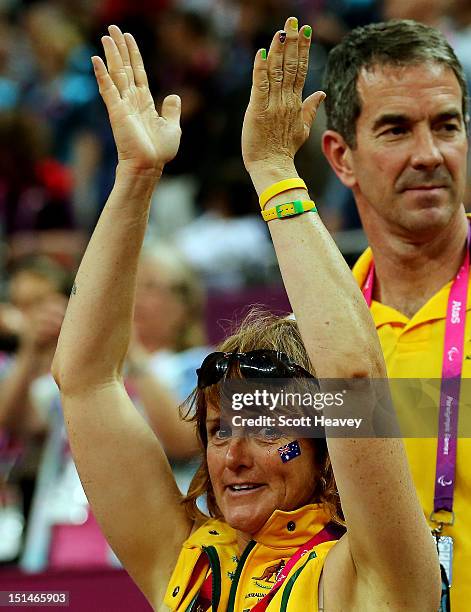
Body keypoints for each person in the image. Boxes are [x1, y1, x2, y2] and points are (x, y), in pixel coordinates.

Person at [52, 20, 440, 610]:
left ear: (325, 447)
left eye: (265, 427)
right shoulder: (186, 558)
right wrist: (135, 176)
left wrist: (274, 169)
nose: (233, 455)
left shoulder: (367, 576)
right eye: (219, 429)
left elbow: (354, 381)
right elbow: (84, 379)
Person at [321, 19, 470, 610]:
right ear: (342, 157)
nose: (429, 154)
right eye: (396, 130)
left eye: (447, 125)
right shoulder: (315, 333)